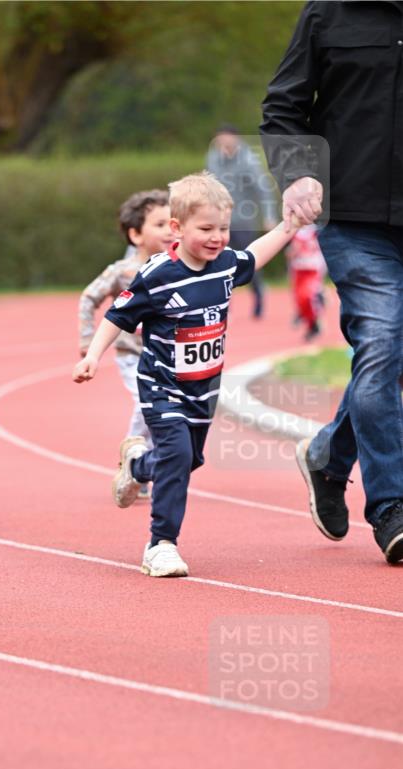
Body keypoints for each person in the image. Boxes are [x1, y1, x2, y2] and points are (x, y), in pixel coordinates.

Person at [73, 172, 300, 578]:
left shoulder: (226, 265)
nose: (218, 237)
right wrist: (92, 355)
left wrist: (289, 226)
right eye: (207, 229)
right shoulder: (157, 275)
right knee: (177, 454)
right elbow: (116, 316)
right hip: (161, 385)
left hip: (204, 388)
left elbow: (257, 254)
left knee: (188, 459)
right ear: (177, 229)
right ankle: (161, 545)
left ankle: (138, 466)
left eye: (224, 228)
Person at [260, 0, 403, 565]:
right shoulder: (328, 13)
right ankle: (393, 506)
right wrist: (297, 175)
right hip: (352, 218)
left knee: (391, 355)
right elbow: (283, 108)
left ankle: (328, 454)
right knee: (383, 344)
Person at [78, 189, 174, 497]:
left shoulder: (178, 268)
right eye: (159, 225)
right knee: (146, 406)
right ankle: (132, 459)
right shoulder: (122, 272)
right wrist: (87, 339)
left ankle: (147, 463)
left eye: (172, 223)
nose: (168, 231)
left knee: (166, 410)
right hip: (132, 355)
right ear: (135, 234)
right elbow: (89, 297)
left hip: (168, 357)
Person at [207, 124, 277, 318]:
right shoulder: (213, 158)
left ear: (236, 138)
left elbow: (263, 189)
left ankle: (259, 296)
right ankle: (221, 304)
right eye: (220, 137)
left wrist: (269, 215)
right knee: (216, 262)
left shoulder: (248, 159)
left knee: (249, 261)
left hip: (244, 220)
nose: (224, 141)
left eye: (227, 137)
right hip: (219, 221)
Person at [286, 223, 326, 341]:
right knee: (299, 298)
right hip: (298, 269)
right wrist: (292, 253)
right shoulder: (294, 230)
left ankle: (314, 322)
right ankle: (309, 321)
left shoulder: (317, 231)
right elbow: (289, 252)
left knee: (307, 296)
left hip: (312, 269)